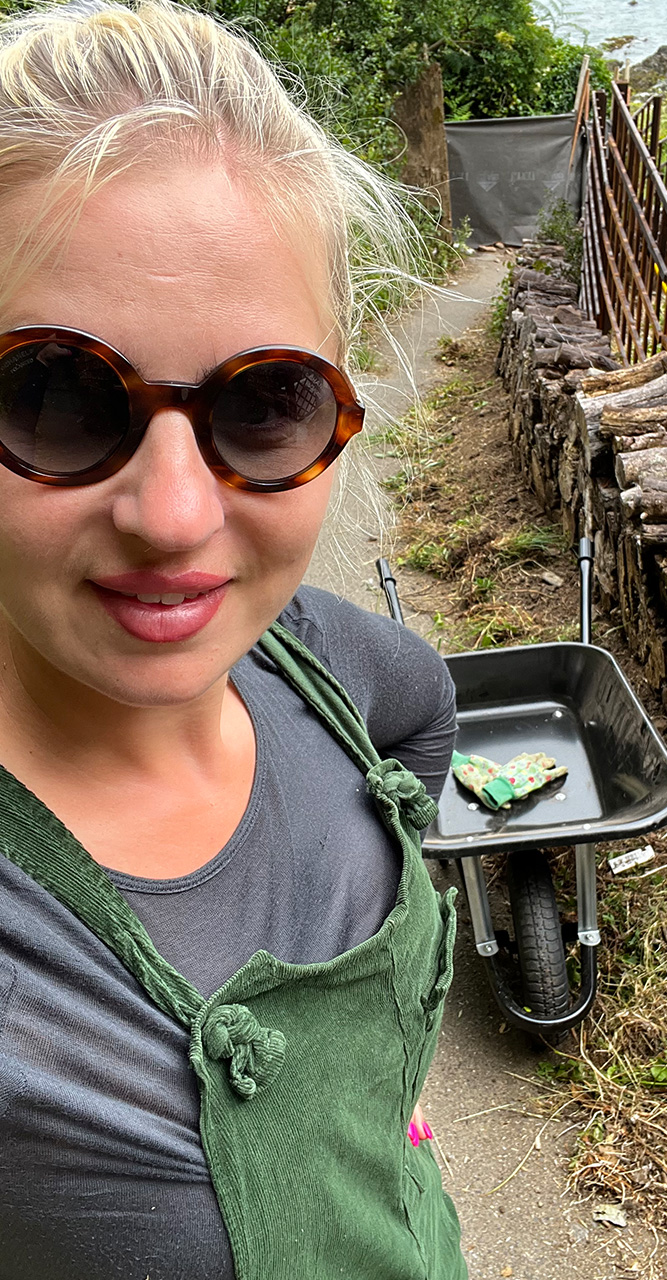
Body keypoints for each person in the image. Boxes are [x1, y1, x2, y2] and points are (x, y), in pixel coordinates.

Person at [0, 2, 466, 1277]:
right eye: (52, 395)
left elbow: (424, 713)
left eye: (265, 403)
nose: (173, 516)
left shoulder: (324, 663)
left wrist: (379, 1114)